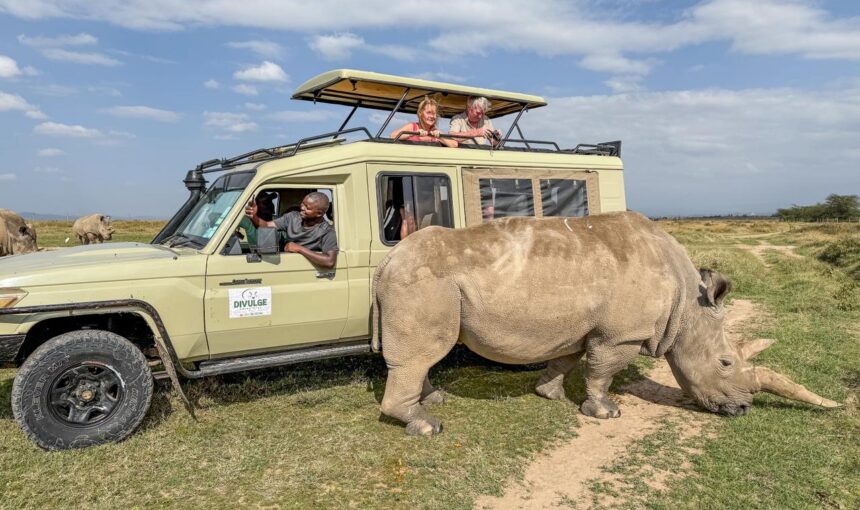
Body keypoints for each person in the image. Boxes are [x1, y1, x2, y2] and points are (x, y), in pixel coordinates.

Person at [244, 191, 338, 269]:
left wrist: (299, 248)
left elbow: (329, 261)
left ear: (319, 214)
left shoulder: (327, 232)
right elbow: (267, 225)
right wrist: (254, 216)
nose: (302, 207)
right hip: (288, 265)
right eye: (303, 204)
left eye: (307, 208)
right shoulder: (292, 217)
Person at [390, 96, 458, 148]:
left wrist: (440, 137)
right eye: (428, 113)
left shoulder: (435, 131)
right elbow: (392, 136)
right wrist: (413, 133)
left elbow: (454, 144)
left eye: (434, 113)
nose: (432, 116)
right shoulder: (412, 127)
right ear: (420, 113)